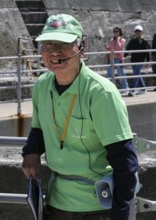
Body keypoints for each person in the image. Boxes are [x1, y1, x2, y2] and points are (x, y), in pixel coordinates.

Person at [21, 14, 138, 220]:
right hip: (56, 201)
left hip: (97, 206)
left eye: (63, 44)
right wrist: (31, 152)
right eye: (48, 45)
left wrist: (120, 213)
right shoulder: (41, 86)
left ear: (81, 46)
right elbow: (39, 129)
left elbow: (124, 160)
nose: (55, 51)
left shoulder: (101, 93)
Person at [105, 27, 133, 97]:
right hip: (112, 59)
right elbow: (111, 49)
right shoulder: (111, 40)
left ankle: (125, 89)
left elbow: (118, 47)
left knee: (121, 74)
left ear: (119, 32)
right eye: (114, 31)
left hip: (119, 59)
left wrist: (117, 40)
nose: (115, 33)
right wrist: (107, 47)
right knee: (109, 74)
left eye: (116, 31)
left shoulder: (122, 40)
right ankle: (110, 88)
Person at [124, 25, 150, 95]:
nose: (137, 32)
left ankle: (132, 90)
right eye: (136, 31)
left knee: (135, 74)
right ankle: (143, 88)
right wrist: (124, 56)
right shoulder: (132, 41)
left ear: (142, 32)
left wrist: (148, 61)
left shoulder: (145, 41)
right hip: (133, 60)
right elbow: (128, 49)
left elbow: (147, 52)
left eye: (139, 31)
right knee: (137, 74)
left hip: (141, 60)